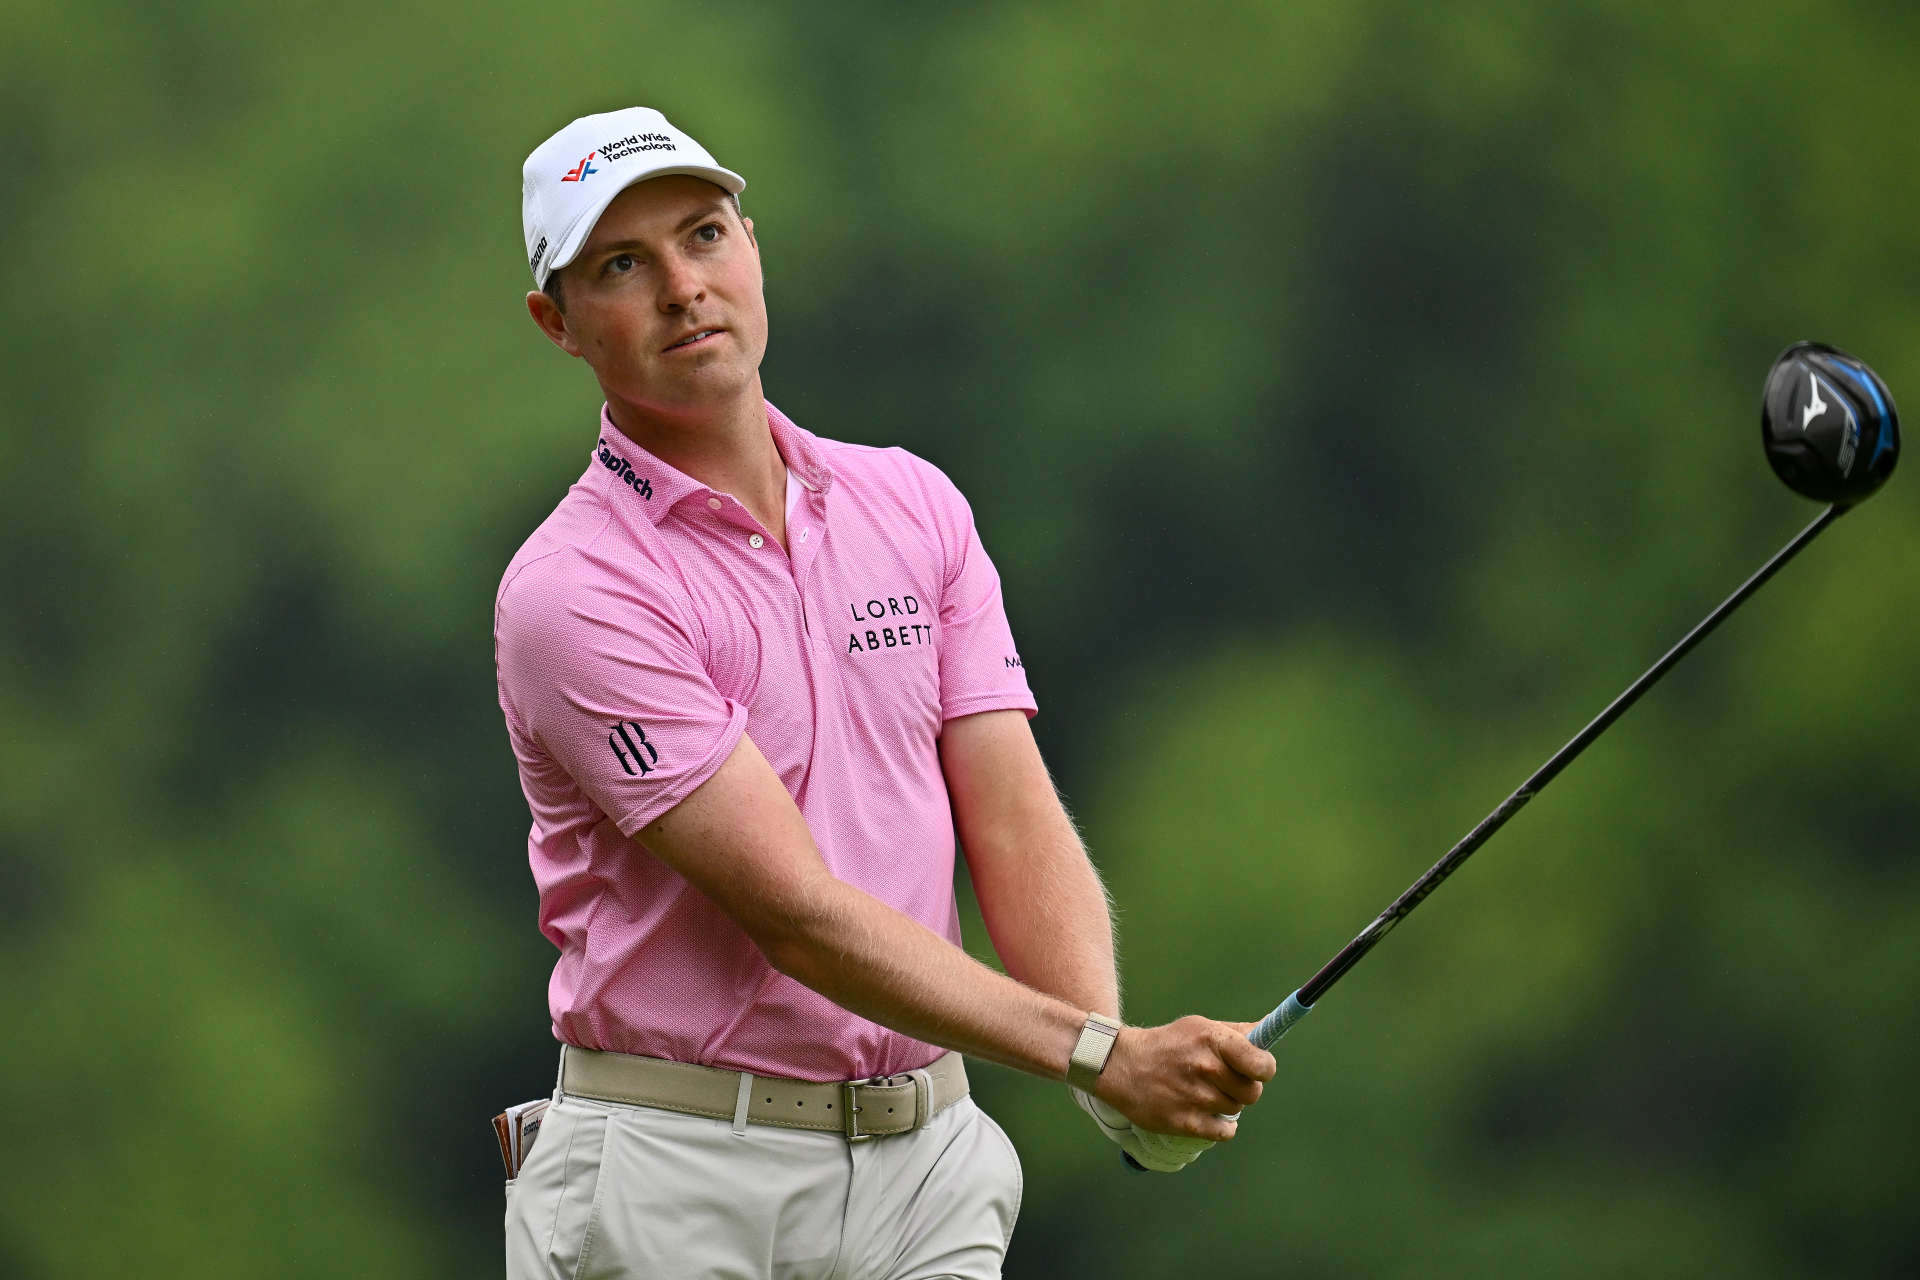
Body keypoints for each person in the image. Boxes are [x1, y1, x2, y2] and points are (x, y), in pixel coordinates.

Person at [494, 105, 1276, 1279]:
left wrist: (1117, 1076)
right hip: (677, 1173)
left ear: (752, 245)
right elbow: (796, 913)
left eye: (704, 236)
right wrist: (1096, 1054)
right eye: (621, 265)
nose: (681, 287)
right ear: (559, 323)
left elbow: (1008, 816)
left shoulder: (912, 505)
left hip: (924, 1167)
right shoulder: (574, 589)